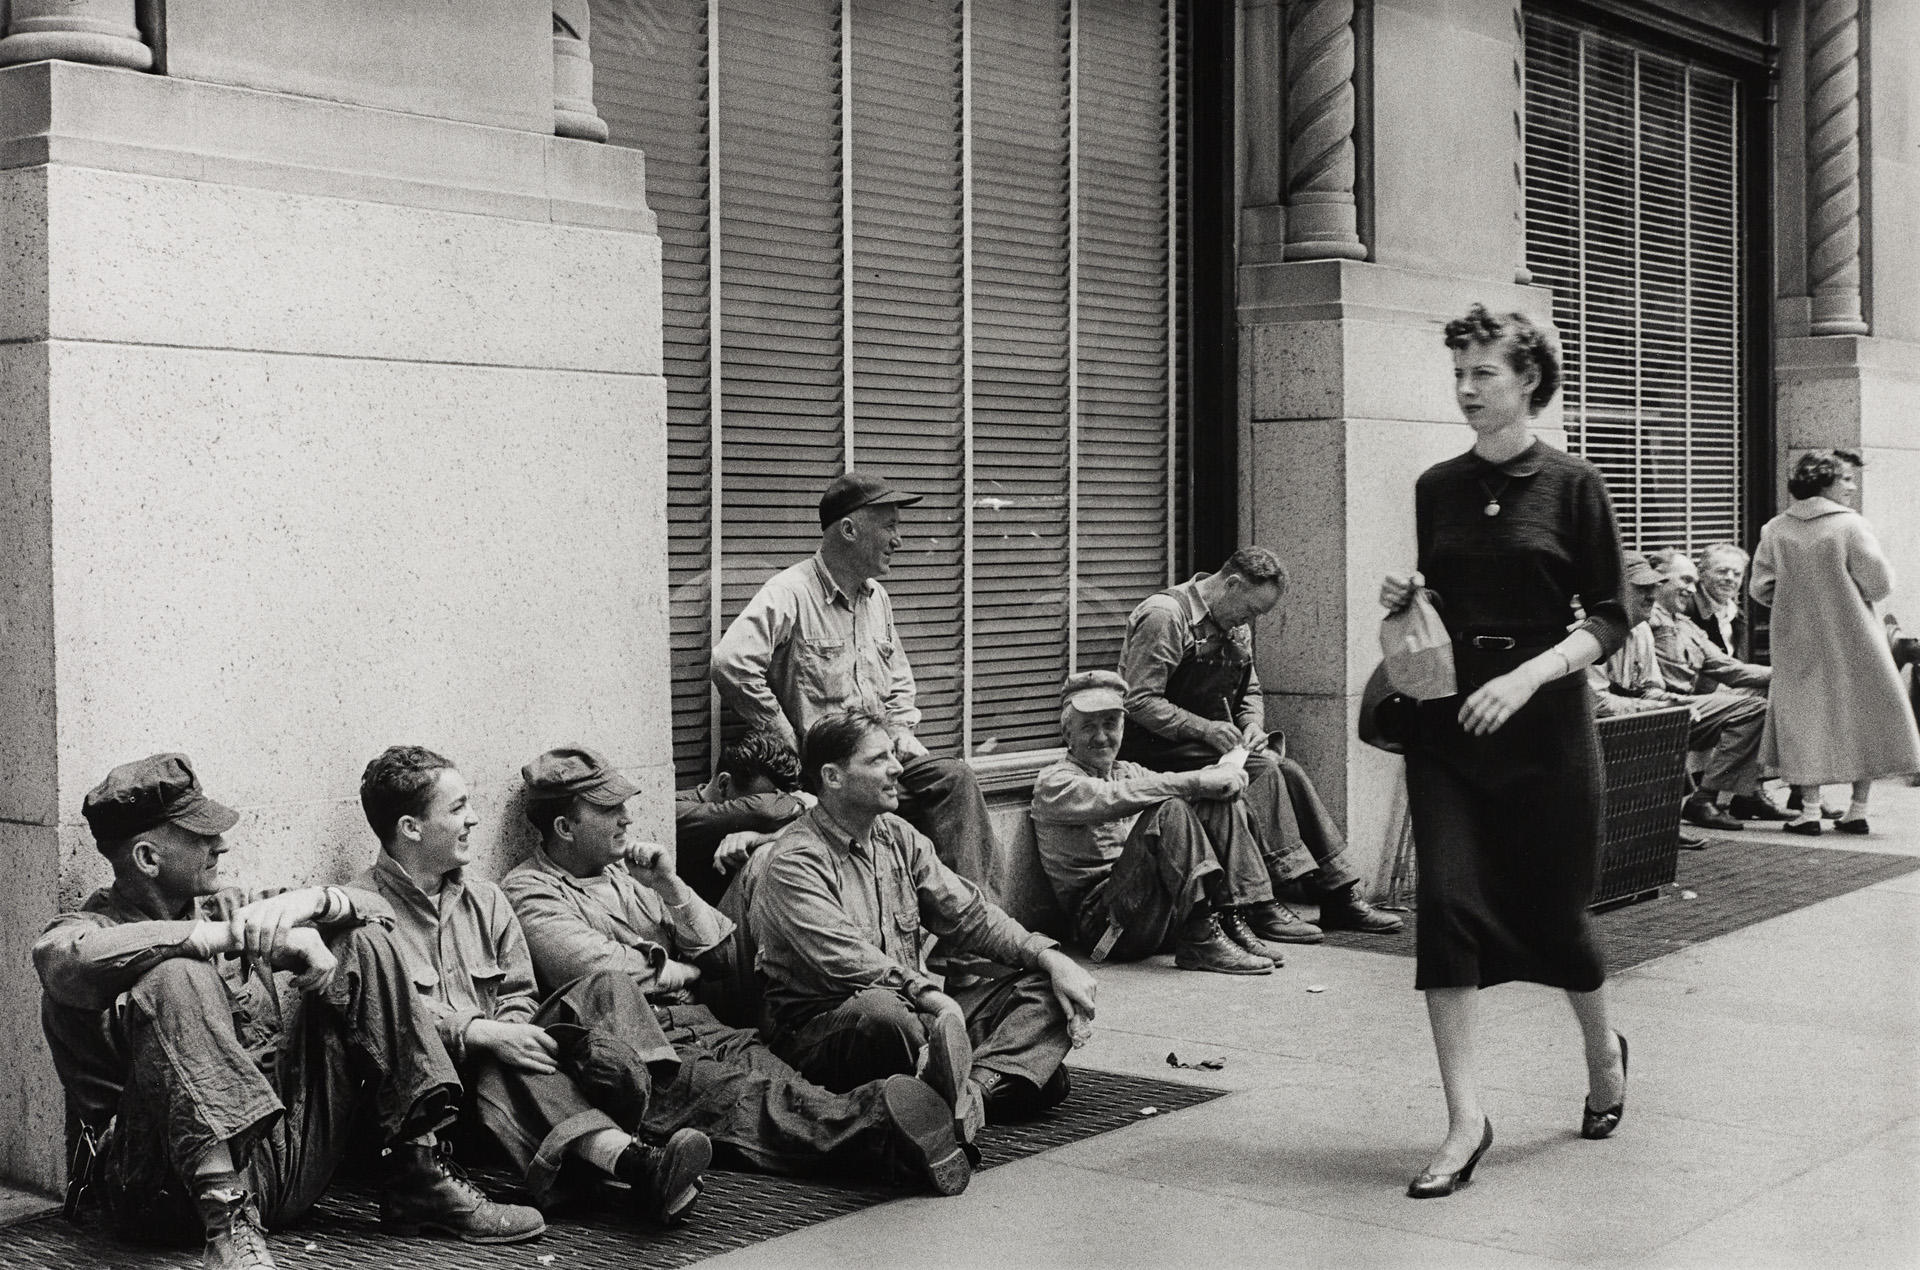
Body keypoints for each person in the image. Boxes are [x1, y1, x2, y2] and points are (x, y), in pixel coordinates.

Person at [34, 754, 544, 1270]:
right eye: (200, 835)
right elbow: (57, 961)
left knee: (362, 939)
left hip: (277, 1162)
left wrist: (312, 907)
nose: (222, 845)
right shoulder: (87, 930)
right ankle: (226, 1224)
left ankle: (419, 1172)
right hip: (160, 1191)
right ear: (147, 857)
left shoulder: (233, 905)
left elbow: (378, 909)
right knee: (175, 972)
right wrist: (210, 939)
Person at [1378, 304, 1629, 1199]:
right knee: (1445, 908)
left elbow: (1611, 615)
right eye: (1458, 372)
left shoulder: (1573, 484)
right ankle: (1464, 1120)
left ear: (1529, 378)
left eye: (1483, 372)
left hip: (1546, 722)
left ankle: (1603, 1053)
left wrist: (1527, 679)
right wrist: (1408, 595)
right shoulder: (1437, 484)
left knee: (1557, 915)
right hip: (1449, 726)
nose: (1466, 388)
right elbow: (1441, 591)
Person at [504, 744, 972, 1196]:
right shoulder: (529, 889)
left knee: (790, 1090)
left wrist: (671, 887)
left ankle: (909, 1127)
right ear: (565, 826)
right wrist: (688, 971)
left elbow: (724, 955)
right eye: (608, 810)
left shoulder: (629, 876)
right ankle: (900, 1128)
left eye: (624, 805)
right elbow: (602, 971)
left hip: (705, 1024)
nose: (627, 818)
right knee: (754, 1104)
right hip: (642, 1042)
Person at [351, 746, 712, 1227]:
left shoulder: (487, 899)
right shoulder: (362, 913)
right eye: (457, 808)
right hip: (442, 1105)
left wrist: (518, 1031)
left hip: (512, 1064)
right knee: (496, 1065)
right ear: (410, 828)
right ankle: (633, 1163)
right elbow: (396, 1020)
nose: (474, 819)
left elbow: (519, 990)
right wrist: (489, 1036)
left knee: (605, 986)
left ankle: (638, 1141)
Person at [751, 709, 1098, 1140]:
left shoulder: (897, 835)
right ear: (833, 777)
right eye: (878, 759)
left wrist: (1049, 956)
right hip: (830, 1027)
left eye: (893, 755)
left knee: (1047, 988)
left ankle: (967, 1097)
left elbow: (971, 916)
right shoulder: (795, 861)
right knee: (885, 1016)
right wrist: (931, 996)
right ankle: (999, 1080)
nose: (897, 768)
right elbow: (846, 961)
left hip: (919, 1012)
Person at [711, 471, 1004, 898]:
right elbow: (730, 662)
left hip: (876, 758)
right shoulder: (790, 593)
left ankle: (979, 936)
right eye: (889, 526)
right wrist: (784, 736)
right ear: (849, 529)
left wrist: (901, 733)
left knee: (954, 781)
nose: (897, 540)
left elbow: (899, 679)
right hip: (829, 773)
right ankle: (976, 945)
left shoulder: (877, 598)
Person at [1116, 546, 1403, 941]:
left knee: (1288, 769)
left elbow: (1250, 687)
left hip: (1211, 748)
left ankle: (1339, 891)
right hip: (1156, 751)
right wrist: (1204, 729)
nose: (1249, 621)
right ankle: (1262, 902)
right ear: (1232, 584)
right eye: (1249, 610)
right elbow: (1138, 702)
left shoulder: (1234, 622)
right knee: (1266, 770)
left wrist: (1251, 724)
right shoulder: (1166, 616)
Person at [1031, 670, 1290, 974]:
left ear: (1123, 728)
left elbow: (1165, 786)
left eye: (1110, 724)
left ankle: (1235, 915)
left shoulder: (1129, 771)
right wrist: (1197, 780)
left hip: (1154, 913)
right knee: (1172, 808)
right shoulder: (1055, 782)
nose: (1101, 737)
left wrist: (1222, 780)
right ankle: (1202, 938)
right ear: (1068, 734)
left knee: (1213, 800)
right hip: (1106, 926)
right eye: (1088, 726)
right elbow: (1112, 796)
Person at [1750, 450, 1920, 834]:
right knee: (1863, 714)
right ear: (1824, 480)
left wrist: (1793, 599)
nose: (1852, 486)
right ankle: (1857, 810)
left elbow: (1760, 587)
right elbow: (1879, 584)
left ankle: (1809, 811)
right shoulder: (1850, 526)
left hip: (1798, 640)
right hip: (1855, 637)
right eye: (1845, 478)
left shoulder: (1776, 528)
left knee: (1804, 717)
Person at [1644, 548, 1784, 826]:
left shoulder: (1683, 624)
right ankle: (1703, 799)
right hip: (1663, 706)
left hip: (1691, 707)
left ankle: (1749, 792)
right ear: (1658, 581)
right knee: (1754, 709)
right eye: (1684, 581)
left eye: (1692, 582)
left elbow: (1731, 670)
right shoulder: (1646, 622)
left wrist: (1789, 676)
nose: (1690, 589)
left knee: (1771, 692)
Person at [674, 730, 810, 904]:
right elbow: (765, 811)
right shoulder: (680, 812)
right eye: (759, 797)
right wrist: (800, 803)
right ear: (724, 784)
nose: (777, 804)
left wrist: (760, 837)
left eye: (779, 797)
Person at [1686, 542, 1752, 659]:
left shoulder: (1737, 616)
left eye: (1737, 574)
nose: (1730, 578)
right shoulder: (1685, 609)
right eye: (1722, 571)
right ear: (1701, 572)